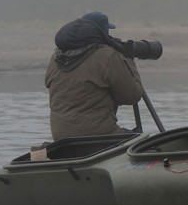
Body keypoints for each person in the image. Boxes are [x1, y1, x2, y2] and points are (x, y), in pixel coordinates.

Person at [45, 11, 144, 141]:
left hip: (61, 138)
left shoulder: (56, 58)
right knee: (141, 140)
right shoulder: (107, 56)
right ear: (102, 33)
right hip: (99, 136)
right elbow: (131, 96)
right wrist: (129, 61)